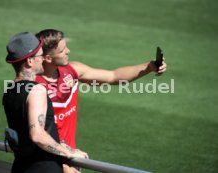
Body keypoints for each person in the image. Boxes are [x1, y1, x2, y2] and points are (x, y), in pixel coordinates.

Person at [35, 29, 167, 149]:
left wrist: (148, 67)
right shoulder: (33, 87)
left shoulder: (73, 70)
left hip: (71, 155)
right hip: (48, 158)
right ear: (48, 58)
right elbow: (34, 134)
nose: (68, 51)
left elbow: (113, 76)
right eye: (62, 50)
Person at [2, 32, 87, 173]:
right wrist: (68, 153)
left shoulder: (10, 90)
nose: (44, 59)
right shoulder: (36, 90)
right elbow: (37, 135)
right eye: (40, 56)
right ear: (30, 61)